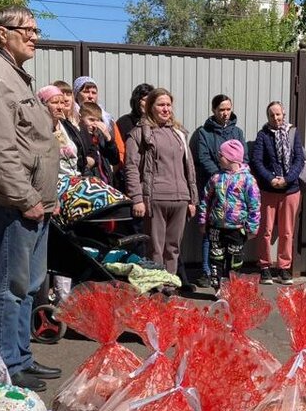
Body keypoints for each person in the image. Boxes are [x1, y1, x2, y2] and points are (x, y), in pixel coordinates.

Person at [0, 6, 61, 389]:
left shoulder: (15, 76)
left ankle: (22, 356)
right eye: (28, 30)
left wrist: (44, 197)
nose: (35, 37)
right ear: (3, 33)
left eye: (37, 30)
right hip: (15, 203)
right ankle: (7, 364)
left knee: (29, 285)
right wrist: (25, 197)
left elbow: (31, 142)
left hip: (34, 202)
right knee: (10, 286)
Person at [123, 88, 198, 278]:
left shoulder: (179, 133)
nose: (166, 109)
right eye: (161, 105)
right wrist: (137, 198)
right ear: (150, 107)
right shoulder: (139, 133)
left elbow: (189, 166)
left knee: (173, 248)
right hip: (155, 199)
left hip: (180, 198)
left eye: (168, 105)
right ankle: (156, 285)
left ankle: (169, 284)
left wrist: (192, 199)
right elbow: (131, 167)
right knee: (155, 248)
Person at [191, 94, 246, 287]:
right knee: (211, 232)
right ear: (214, 110)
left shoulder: (237, 132)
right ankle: (207, 271)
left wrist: (235, 177)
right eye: (221, 109)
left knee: (232, 236)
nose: (225, 113)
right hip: (214, 187)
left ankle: (230, 275)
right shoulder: (204, 132)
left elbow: (243, 157)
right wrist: (221, 177)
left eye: (228, 109)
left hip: (235, 191)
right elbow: (203, 157)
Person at [250, 100, 306, 284]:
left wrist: (287, 179)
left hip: (291, 189)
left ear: (284, 114)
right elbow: (257, 161)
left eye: (278, 114)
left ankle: (284, 268)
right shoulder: (263, 135)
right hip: (268, 189)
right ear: (267, 117)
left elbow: (299, 159)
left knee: (287, 231)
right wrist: (271, 179)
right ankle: (265, 267)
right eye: (271, 115)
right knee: (265, 230)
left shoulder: (293, 132)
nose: (275, 118)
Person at [198, 139, 260, 290]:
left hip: (237, 229)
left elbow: (254, 205)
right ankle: (218, 289)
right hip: (216, 227)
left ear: (231, 158)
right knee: (215, 259)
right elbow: (205, 199)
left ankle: (232, 290)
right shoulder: (216, 178)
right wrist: (202, 221)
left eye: (221, 155)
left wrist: (252, 228)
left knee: (234, 262)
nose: (218, 157)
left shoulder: (247, 180)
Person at [77, 102, 120, 184]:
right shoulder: (79, 138)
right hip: (91, 183)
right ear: (80, 118)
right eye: (91, 120)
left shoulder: (100, 138)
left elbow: (115, 160)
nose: (95, 124)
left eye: (98, 121)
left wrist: (108, 138)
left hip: (106, 182)